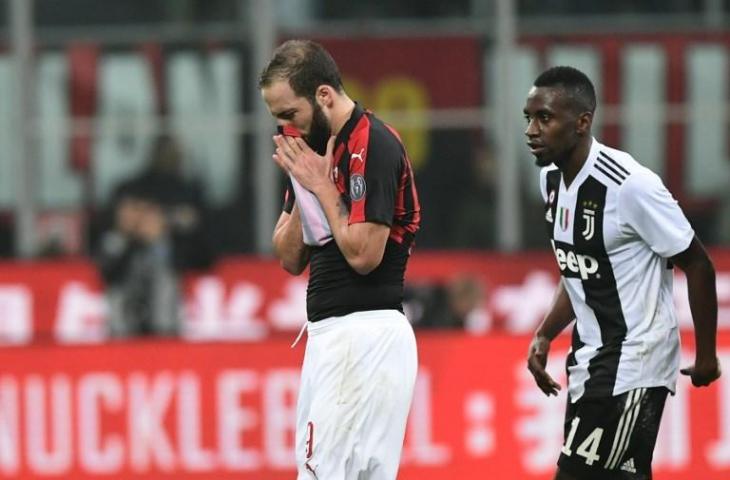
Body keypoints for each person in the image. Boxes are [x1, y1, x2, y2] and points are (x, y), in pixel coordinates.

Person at [523, 66, 721, 480]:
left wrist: (705, 355)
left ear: (582, 122)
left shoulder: (631, 185)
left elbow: (698, 265)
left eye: (545, 118)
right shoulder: (550, 183)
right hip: (590, 364)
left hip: (635, 361)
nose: (532, 130)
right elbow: (578, 270)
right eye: (529, 117)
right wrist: (545, 333)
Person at [259, 39, 421, 479]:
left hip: (365, 334)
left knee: (321, 474)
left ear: (323, 95)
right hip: (331, 336)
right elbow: (289, 257)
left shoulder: (375, 143)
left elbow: (366, 255)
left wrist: (324, 187)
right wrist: (307, 181)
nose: (284, 127)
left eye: (290, 113)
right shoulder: (310, 151)